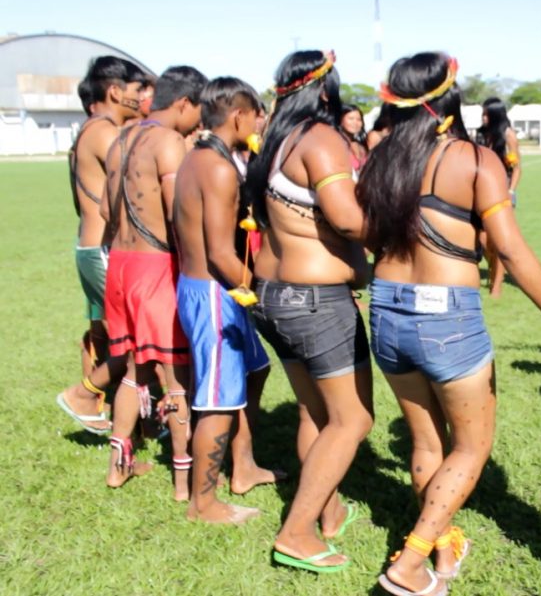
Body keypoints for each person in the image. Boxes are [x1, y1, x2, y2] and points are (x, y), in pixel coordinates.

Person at [360, 52, 541, 596]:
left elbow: (368, 237)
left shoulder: (379, 159)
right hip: (447, 315)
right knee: (469, 447)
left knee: (427, 444)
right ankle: (410, 563)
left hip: (386, 307)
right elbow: (508, 249)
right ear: (448, 98)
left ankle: (443, 553)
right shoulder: (474, 159)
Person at [245, 50, 373, 573]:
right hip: (315, 301)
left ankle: (329, 509)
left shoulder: (276, 139)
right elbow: (347, 219)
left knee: (315, 413)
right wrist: (404, 220)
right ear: (325, 90)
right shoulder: (320, 138)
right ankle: (296, 532)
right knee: (353, 418)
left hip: (273, 295)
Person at [173, 77, 283, 524]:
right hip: (214, 292)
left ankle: (245, 467)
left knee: (256, 369)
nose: (260, 123)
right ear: (238, 115)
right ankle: (203, 503)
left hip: (210, 290)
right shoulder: (217, 168)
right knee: (218, 400)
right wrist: (262, 294)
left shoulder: (197, 157)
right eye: (257, 115)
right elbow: (220, 254)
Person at [101, 65, 208, 499]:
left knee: (134, 369)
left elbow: (107, 210)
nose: (199, 120)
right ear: (183, 103)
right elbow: (177, 213)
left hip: (120, 264)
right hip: (155, 267)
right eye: (199, 110)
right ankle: (184, 483)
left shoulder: (121, 139)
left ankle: (118, 467)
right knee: (177, 374)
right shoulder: (168, 141)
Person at [56, 56, 145, 435]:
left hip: (96, 248)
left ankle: (134, 426)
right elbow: (135, 182)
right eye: (137, 90)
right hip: (102, 251)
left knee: (121, 340)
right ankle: (83, 393)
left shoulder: (93, 130)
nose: (142, 98)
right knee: (136, 344)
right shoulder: (104, 132)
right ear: (115, 92)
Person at [476, 97, 520, 298]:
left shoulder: (508, 135)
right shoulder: (481, 135)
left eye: (486, 114)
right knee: (483, 239)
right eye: (483, 114)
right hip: (480, 193)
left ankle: (497, 285)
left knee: (499, 240)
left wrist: (511, 191)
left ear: (495, 115)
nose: (483, 118)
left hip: (502, 194)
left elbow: (517, 168)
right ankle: (494, 266)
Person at [339, 104, 369, 172]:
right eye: (351, 118)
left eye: (359, 119)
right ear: (341, 120)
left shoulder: (361, 145)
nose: (355, 123)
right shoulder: (337, 144)